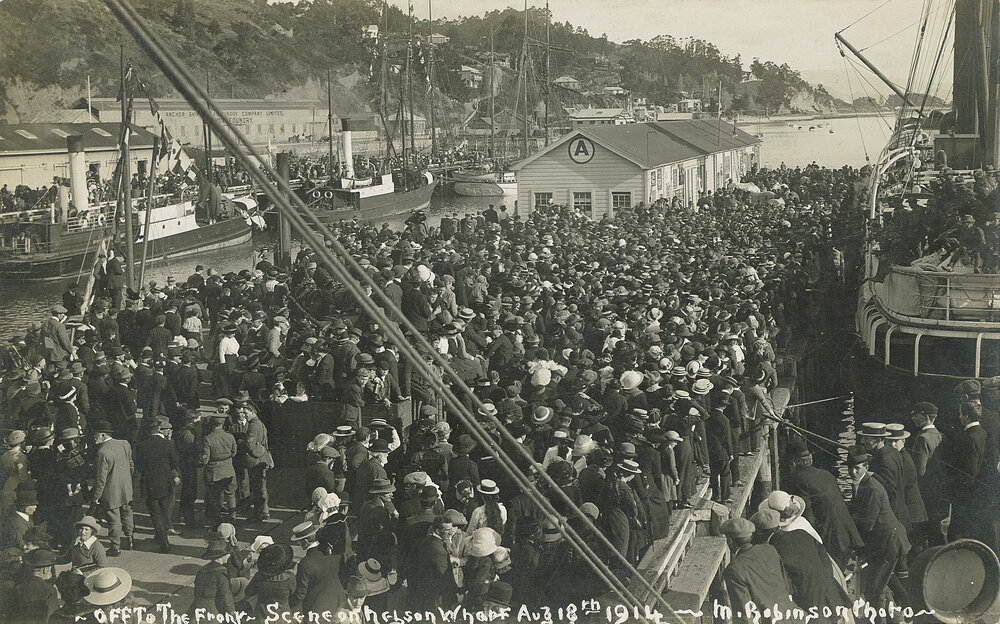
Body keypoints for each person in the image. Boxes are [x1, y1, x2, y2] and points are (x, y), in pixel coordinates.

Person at [846, 445, 911, 617]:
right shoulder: (861, 484)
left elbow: (867, 523)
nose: (853, 472)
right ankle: (903, 614)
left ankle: (889, 617)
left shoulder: (873, 488)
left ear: (866, 467)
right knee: (885, 581)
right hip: (882, 541)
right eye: (850, 468)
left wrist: (851, 538)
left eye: (857, 468)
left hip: (888, 541)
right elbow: (857, 510)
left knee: (875, 588)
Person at [719, 517, 800, 624]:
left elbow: (744, 615)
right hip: (795, 618)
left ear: (730, 541)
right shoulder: (769, 549)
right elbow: (788, 588)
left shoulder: (734, 570)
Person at [90, 421, 134, 557]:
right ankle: (130, 539)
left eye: (95, 434)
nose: (94, 437)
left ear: (103, 435)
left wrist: (96, 497)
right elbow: (131, 464)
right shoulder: (124, 444)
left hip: (111, 492)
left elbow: (101, 479)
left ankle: (115, 547)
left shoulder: (102, 452)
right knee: (127, 513)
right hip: (126, 488)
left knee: (114, 520)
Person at [136, 417, 180, 553]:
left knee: (155, 514)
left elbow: (139, 465)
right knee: (164, 511)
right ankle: (164, 542)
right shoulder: (167, 444)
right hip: (166, 483)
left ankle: (161, 538)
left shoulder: (141, 445)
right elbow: (174, 462)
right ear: (159, 429)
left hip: (149, 484)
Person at [407, 514, 459, 611]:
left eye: (451, 529)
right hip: (434, 595)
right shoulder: (438, 549)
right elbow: (444, 576)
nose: (451, 532)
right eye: (447, 530)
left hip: (420, 589)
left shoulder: (425, 540)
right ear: (438, 531)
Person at [200, 411, 238, 525]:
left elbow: (205, 459)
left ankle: (218, 520)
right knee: (231, 495)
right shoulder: (229, 436)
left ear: (212, 424)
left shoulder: (208, 439)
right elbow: (234, 452)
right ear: (222, 424)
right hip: (229, 469)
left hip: (214, 472)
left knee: (215, 497)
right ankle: (233, 517)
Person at [246, 544, 297, 620]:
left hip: (262, 616)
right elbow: (294, 594)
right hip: (283, 617)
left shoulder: (259, 577)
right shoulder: (289, 578)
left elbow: (248, 592)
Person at [189, 539, 236, 616]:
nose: (229, 555)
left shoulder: (202, 569)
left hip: (196, 606)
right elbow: (226, 595)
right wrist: (232, 612)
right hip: (211, 608)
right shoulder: (221, 573)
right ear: (221, 556)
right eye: (228, 553)